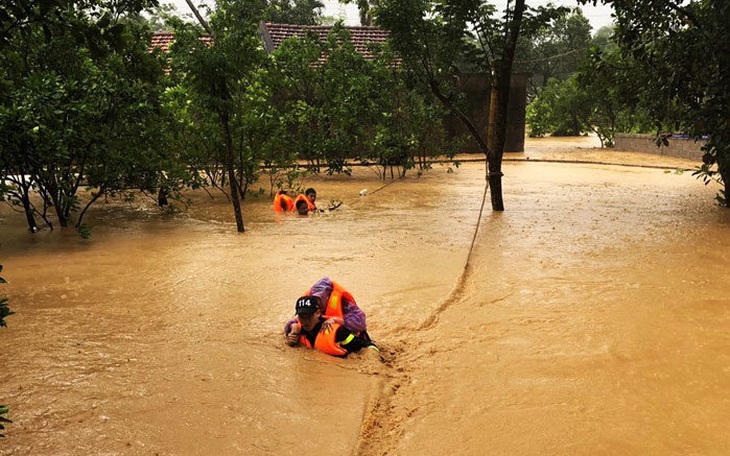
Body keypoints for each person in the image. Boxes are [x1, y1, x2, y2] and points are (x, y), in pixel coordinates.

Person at [286, 296, 377, 357]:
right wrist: (290, 340)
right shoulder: (297, 329)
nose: (305, 321)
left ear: (318, 313)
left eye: (309, 316)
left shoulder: (338, 332)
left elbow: (368, 346)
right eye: (302, 316)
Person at [284, 277, 368, 338]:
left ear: (329, 296)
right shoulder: (311, 307)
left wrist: (335, 319)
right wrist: (293, 326)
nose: (317, 302)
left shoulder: (343, 303)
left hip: (353, 337)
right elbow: (298, 319)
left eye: (319, 298)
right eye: (314, 298)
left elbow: (361, 322)